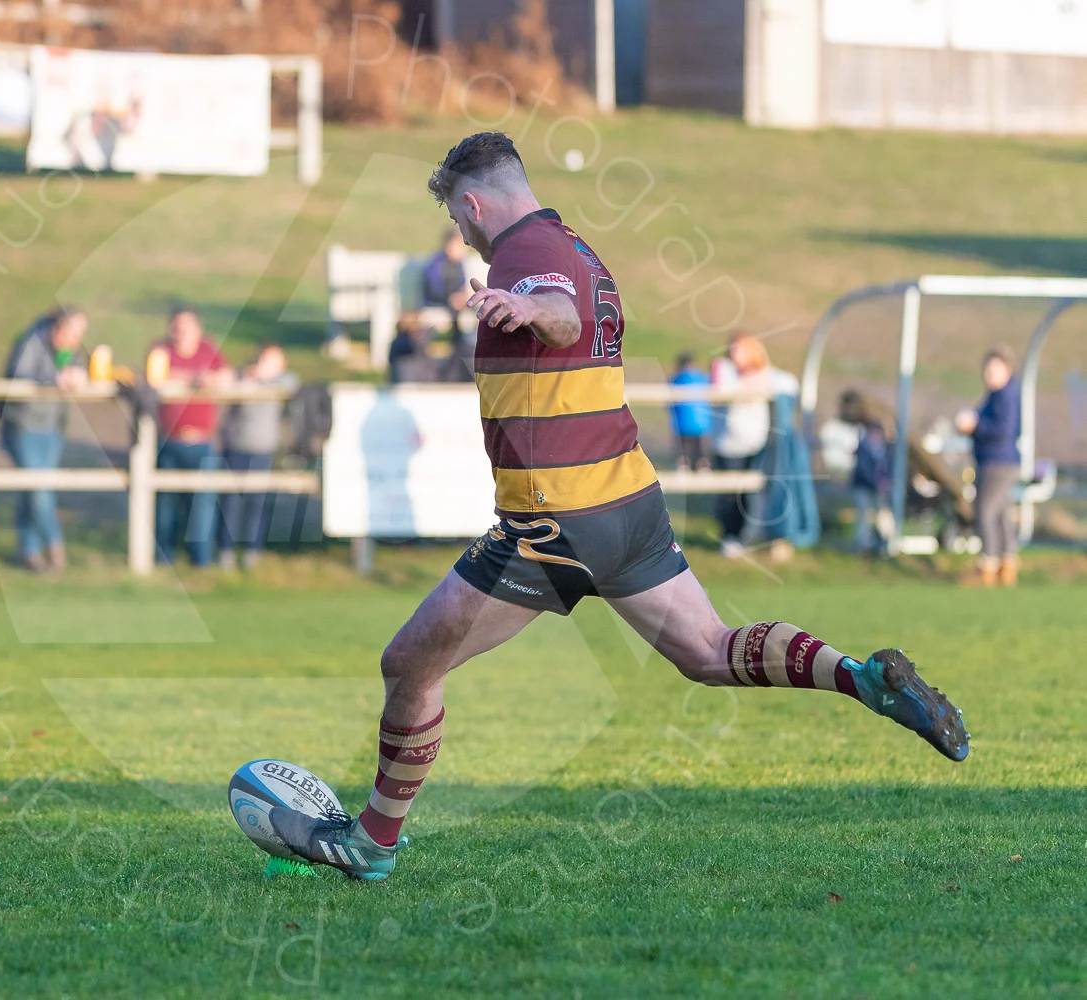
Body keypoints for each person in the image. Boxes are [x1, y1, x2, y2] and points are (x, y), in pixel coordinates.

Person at [267, 131, 969, 883]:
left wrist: (526, 308)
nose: (463, 238)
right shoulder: (580, 248)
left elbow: (559, 313)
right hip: (628, 501)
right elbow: (569, 308)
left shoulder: (524, 255)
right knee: (707, 651)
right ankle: (858, 676)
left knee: (408, 663)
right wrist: (535, 309)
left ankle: (373, 843)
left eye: (458, 220)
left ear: (473, 203)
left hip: (555, 519)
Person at [0, 307, 88, 572]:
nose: (76, 339)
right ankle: (54, 544)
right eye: (73, 332)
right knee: (39, 489)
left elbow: (78, 370)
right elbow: (19, 375)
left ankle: (29, 551)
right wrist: (54, 379)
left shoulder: (71, 352)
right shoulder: (31, 342)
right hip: (24, 425)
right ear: (58, 327)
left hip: (52, 427)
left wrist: (78, 377)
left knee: (35, 489)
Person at [147, 306, 231, 567]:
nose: (180, 332)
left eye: (186, 326)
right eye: (176, 325)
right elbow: (154, 377)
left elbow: (226, 377)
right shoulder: (161, 351)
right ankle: (163, 557)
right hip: (169, 439)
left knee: (203, 505)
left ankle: (200, 559)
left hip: (202, 441)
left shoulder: (209, 350)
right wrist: (192, 378)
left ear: (198, 329)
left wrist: (210, 380)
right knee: (165, 503)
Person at [219, 343, 299, 571]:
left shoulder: (280, 382)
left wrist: (263, 378)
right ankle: (226, 551)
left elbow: (292, 382)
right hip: (236, 447)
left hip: (263, 451)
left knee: (257, 504)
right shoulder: (243, 377)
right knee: (231, 503)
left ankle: (253, 552)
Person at [956, 346, 1022, 587]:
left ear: (1007, 369)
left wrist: (975, 426)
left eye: (994, 368)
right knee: (1002, 513)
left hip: (997, 462)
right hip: (1000, 461)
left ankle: (988, 566)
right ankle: (1007, 565)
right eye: (987, 368)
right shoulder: (999, 395)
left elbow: (1003, 430)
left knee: (984, 512)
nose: (989, 373)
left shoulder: (1004, 395)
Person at [711, 333, 774, 558]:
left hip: (754, 442)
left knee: (750, 493)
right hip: (727, 443)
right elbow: (723, 393)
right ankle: (730, 536)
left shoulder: (762, 371)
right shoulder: (723, 368)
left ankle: (747, 536)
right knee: (729, 493)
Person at [850, 419, 893, 556]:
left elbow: (890, 467)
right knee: (864, 513)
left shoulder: (886, 448)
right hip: (863, 486)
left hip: (880, 489)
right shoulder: (863, 448)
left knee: (883, 514)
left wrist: (886, 482)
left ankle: (885, 543)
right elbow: (864, 470)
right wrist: (876, 482)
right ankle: (863, 544)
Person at [667, 351, 713, 471]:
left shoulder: (675, 379)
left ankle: (684, 468)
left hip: (682, 424)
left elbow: (669, 403)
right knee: (700, 450)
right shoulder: (702, 378)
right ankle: (703, 467)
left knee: (684, 451)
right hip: (702, 423)